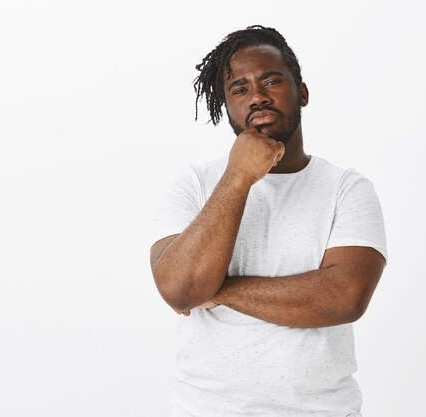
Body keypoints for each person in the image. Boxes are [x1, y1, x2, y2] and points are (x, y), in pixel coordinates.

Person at [150, 25, 387, 417]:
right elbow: (181, 289)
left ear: (302, 93)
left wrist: (221, 290)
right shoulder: (193, 184)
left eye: (271, 80)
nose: (257, 96)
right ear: (227, 108)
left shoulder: (347, 188)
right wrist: (238, 177)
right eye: (239, 89)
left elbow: (343, 297)